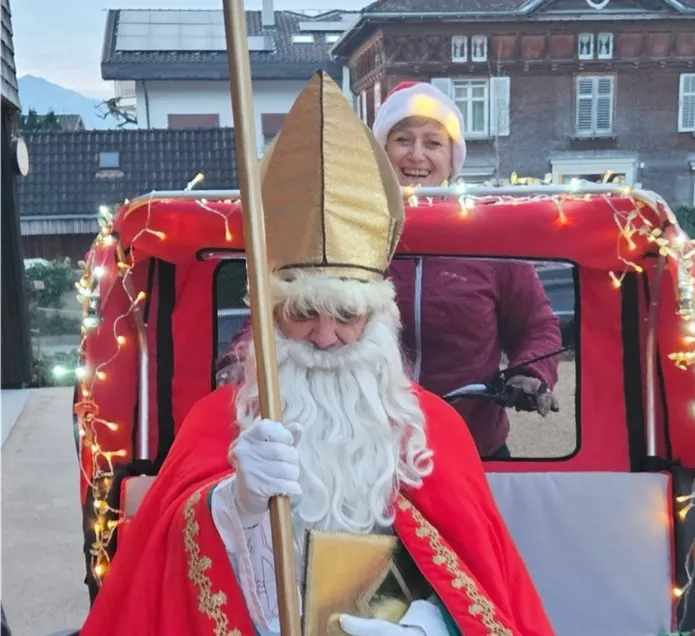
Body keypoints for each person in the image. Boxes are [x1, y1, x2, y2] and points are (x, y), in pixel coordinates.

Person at [78, 71, 555, 636]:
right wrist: (233, 504)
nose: (325, 337)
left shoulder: (436, 431)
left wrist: (426, 626)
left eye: (347, 316)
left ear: (379, 319)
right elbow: (161, 572)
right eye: (303, 313)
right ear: (269, 318)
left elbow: (474, 583)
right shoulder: (221, 420)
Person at [372, 81, 563, 460]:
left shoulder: (487, 235)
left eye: (432, 142)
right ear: (382, 151)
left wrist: (531, 373)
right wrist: (239, 366)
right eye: (402, 140)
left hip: (474, 447)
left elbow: (537, 325)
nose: (416, 155)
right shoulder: (351, 230)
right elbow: (290, 305)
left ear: (451, 157)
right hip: (373, 451)